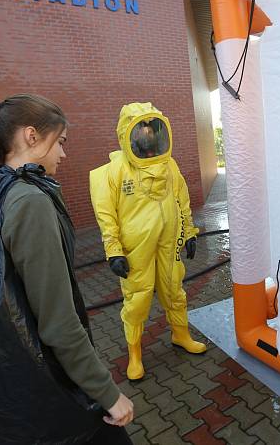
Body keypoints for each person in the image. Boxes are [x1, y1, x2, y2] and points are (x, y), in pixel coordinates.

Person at [0, 94, 133, 444]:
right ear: (32, 136)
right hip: (41, 384)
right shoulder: (29, 201)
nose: (63, 154)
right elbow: (59, 325)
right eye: (60, 142)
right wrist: (108, 394)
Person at [90, 102, 204, 381]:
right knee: (138, 297)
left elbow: (182, 198)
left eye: (149, 126)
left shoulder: (168, 164)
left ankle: (180, 334)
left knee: (173, 287)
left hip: (168, 241)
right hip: (135, 248)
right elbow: (107, 216)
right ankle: (135, 354)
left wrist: (188, 231)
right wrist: (113, 251)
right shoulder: (111, 172)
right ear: (126, 133)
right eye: (139, 127)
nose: (146, 132)